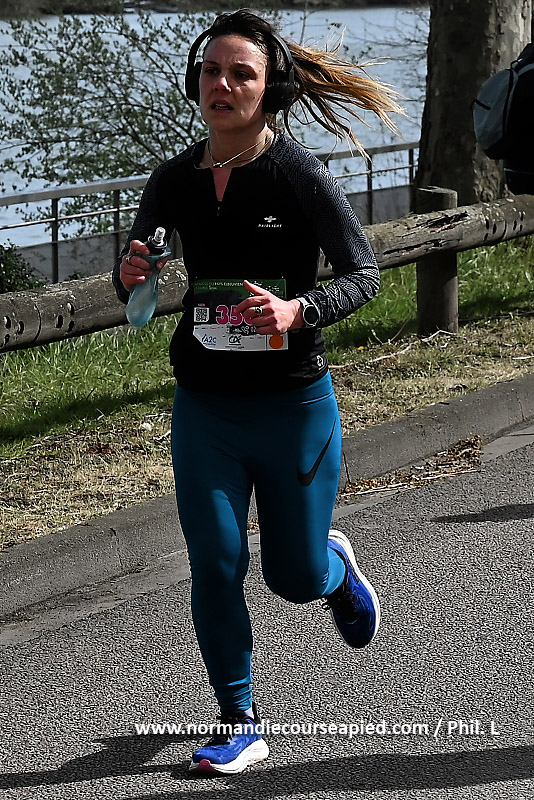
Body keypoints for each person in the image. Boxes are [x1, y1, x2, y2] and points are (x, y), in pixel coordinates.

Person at [113, 8, 401, 776]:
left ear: (269, 89)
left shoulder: (298, 175)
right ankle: (239, 720)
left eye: (241, 73)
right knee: (215, 562)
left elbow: (364, 276)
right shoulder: (173, 180)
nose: (223, 84)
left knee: (292, 578)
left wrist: (297, 310)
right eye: (211, 71)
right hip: (205, 409)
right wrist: (132, 276)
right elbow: (135, 290)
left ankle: (332, 568)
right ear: (194, 83)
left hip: (292, 407)